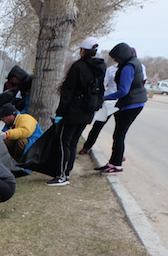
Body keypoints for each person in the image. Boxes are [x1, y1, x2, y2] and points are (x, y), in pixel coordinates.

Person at [47, 36, 106, 186]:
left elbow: (68, 92)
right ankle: (66, 172)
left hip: (73, 111)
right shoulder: (100, 68)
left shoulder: (78, 67)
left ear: (82, 51)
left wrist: (60, 113)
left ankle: (61, 175)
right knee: (73, 143)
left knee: (64, 142)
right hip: (87, 111)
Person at [95, 42, 147, 174]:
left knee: (119, 134)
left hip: (132, 104)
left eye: (116, 57)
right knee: (118, 134)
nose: (115, 60)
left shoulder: (128, 67)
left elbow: (123, 91)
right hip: (133, 102)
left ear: (121, 56)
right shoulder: (135, 62)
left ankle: (117, 165)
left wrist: (104, 98)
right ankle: (113, 162)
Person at [79, 62, 119, 155]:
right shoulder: (111, 69)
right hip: (109, 101)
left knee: (119, 132)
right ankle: (87, 147)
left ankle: (118, 154)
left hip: (123, 102)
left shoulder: (135, 68)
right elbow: (102, 82)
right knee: (98, 125)